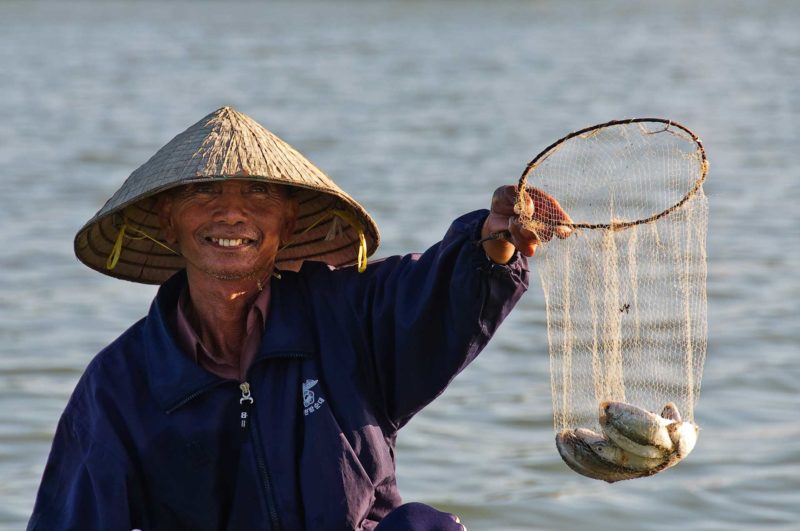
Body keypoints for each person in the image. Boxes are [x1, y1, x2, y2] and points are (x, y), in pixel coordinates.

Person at [28, 107, 571, 531]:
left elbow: (436, 293)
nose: (232, 213)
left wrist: (493, 244)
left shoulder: (347, 315)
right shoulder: (118, 386)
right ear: (167, 223)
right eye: (204, 193)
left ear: (288, 223)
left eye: (258, 193)